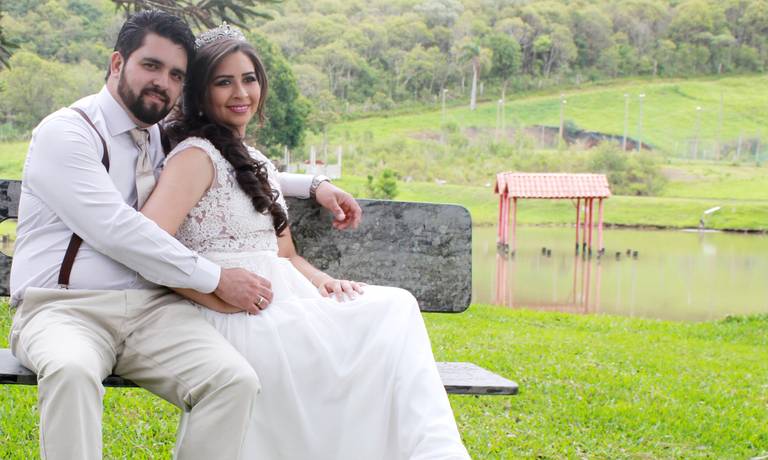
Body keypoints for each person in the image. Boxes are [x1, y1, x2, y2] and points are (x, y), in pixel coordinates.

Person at [9, 10, 360, 460]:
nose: (163, 82)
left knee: (232, 381)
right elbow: (118, 231)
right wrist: (215, 279)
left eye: (176, 74)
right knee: (72, 370)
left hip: (150, 311)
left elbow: (228, 165)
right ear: (117, 63)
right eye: (151, 66)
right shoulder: (68, 133)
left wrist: (312, 185)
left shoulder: (159, 135)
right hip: (64, 309)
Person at [140, 24, 471, 460]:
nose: (241, 93)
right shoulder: (195, 157)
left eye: (249, 79)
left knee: (396, 307)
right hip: (231, 314)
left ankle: (436, 452)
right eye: (224, 82)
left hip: (284, 296)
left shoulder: (255, 160)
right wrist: (216, 285)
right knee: (374, 327)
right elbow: (146, 244)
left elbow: (286, 254)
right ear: (201, 93)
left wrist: (323, 281)